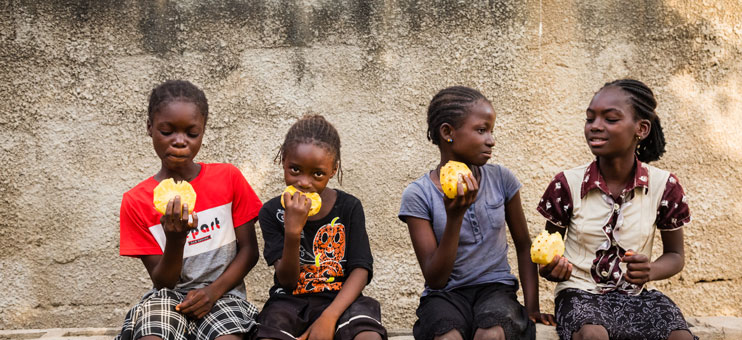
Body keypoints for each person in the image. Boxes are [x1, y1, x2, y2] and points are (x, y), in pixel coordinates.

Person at [537, 79, 696, 340]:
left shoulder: (663, 186)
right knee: (593, 335)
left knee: (680, 336)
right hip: (580, 294)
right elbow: (546, 255)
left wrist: (650, 271)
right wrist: (551, 269)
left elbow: (676, 255)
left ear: (641, 129)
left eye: (610, 119)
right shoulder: (566, 184)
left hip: (636, 297)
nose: (595, 126)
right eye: (590, 119)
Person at [399, 86, 552, 340]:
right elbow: (435, 279)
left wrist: (532, 306)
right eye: (481, 130)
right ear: (448, 132)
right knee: (447, 336)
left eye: (491, 131)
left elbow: (524, 245)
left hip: (496, 290)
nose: (491, 140)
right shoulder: (418, 194)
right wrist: (454, 218)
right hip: (444, 295)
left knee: (490, 334)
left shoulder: (501, 179)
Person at [117, 80, 262, 340]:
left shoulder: (228, 178)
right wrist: (176, 237)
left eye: (191, 133)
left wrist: (213, 291)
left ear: (203, 131)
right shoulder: (136, 201)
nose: (180, 142)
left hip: (224, 295)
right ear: (150, 127)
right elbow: (163, 282)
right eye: (167, 131)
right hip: (167, 298)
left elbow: (250, 251)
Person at [256, 115, 386, 340]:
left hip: (341, 299)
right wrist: (293, 231)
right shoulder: (271, 211)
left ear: (333, 170)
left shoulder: (349, 207)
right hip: (289, 301)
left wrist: (329, 317)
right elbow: (287, 281)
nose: (305, 183)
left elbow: (360, 269)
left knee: (369, 336)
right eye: (295, 170)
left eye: (318, 174)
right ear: (283, 160)